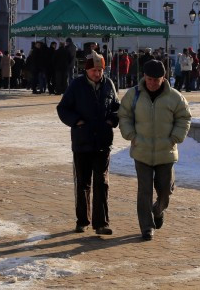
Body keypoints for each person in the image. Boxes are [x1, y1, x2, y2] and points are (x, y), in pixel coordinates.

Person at [118, 59, 192, 241]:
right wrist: (131, 135)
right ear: (144, 77)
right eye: (149, 79)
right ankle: (146, 226)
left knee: (166, 189)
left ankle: (158, 210)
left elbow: (184, 117)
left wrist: (174, 138)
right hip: (141, 150)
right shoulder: (133, 95)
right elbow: (124, 115)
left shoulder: (175, 97)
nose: (152, 83)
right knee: (144, 190)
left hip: (165, 151)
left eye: (156, 80)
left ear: (163, 78)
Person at [56, 53, 120, 235]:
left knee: (102, 182)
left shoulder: (109, 84)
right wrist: (76, 121)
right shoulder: (76, 85)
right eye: (94, 70)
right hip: (82, 142)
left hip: (102, 141)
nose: (98, 73)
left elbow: (117, 106)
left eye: (100, 70)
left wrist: (112, 121)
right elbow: (62, 108)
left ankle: (101, 223)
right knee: (83, 183)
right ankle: (82, 220)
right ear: (87, 70)